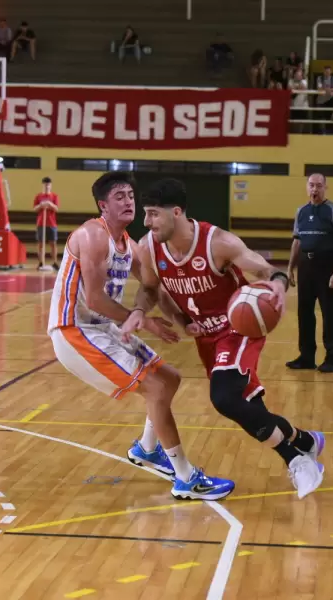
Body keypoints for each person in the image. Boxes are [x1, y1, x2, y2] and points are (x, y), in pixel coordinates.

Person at [122, 179, 326, 498]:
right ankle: (305, 441)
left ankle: (297, 460)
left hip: (238, 327)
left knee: (224, 398)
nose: (146, 222)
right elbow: (150, 289)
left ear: (176, 212)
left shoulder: (217, 242)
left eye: (152, 214)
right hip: (206, 336)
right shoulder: (149, 247)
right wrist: (149, 313)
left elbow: (266, 270)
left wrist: (279, 284)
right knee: (248, 407)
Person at [48, 171, 234, 501]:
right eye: (119, 196)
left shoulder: (130, 246)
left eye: (131, 195)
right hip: (74, 330)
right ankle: (186, 476)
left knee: (171, 378)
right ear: (103, 205)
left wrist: (183, 320)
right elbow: (94, 298)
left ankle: (147, 449)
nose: (129, 201)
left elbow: (155, 288)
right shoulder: (92, 235)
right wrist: (145, 322)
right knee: (156, 388)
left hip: (103, 328)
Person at [287, 174, 333, 372]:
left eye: (319, 186)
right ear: (307, 187)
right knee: (304, 312)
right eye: (312, 185)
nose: (315, 189)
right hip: (306, 266)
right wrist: (290, 268)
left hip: (326, 265)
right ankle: (306, 357)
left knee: (329, 313)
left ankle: (332, 359)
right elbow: (297, 241)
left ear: (325, 188)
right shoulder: (301, 212)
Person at [33, 176, 59, 270]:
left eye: (48, 184)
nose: (47, 186)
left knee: (53, 243)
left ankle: (55, 262)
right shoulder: (38, 196)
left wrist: (50, 204)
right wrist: (41, 205)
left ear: (50, 185)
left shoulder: (54, 196)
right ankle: (40, 262)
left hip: (51, 223)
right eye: (45, 184)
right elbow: (35, 209)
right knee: (40, 244)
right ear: (43, 185)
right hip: (41, 223)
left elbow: (56, 208)